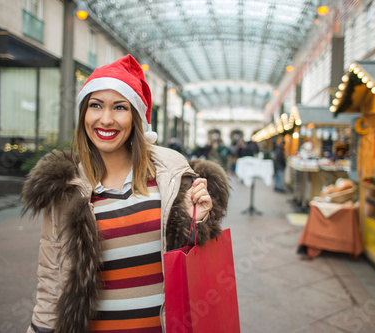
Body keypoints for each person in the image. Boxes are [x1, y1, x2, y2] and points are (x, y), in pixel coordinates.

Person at [22, 54, 229, 333]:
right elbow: (50, 276)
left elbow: (194, 266)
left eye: (119, 107)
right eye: (96, 105)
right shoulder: (66, 187)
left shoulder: (171, 175)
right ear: (84, 113)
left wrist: (196, 223)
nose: (106, 119)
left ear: (135, 117)